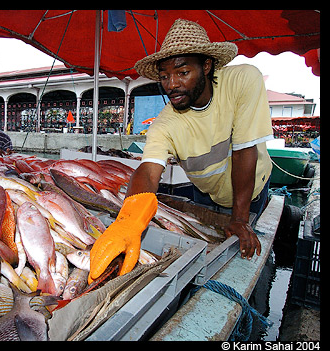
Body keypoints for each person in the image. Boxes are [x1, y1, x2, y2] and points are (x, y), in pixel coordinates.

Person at [88, 19, 274, 283]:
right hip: (206, 192)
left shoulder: (243, 81)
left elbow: (245, 151)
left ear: (206, 66)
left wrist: (240, 219)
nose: (171, 84)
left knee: (246, 256)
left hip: (251, 191)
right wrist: (128, 220)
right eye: (164, 76)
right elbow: (149, 171)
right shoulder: (165, 123)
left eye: (182, 72)